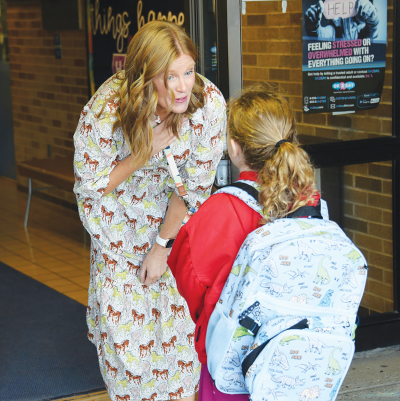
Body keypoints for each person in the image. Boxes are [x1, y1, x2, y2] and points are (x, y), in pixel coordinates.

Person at [73, 21, 226, 401]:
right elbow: (91, 183)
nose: (182, 86)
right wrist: (143, 153)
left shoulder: (207, 106)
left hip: (173, 234)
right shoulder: (108, 107)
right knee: (127, 353)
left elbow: (191, 191)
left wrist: (161, 246)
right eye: (169, 76)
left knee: (180, 352)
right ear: (144, 76)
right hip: (118, 237)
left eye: (188, 71)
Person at [168, 83, 321, 400]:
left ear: (235, 148)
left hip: (235, 364)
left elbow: (190, 279)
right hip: (297, 360)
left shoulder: (221, 209)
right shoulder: (311, 200)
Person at [304, 0, 379, 40]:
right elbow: (320, 35)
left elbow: (371, 32)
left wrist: (372, 16)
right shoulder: (334, 30)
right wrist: (313, 26)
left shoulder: (362, 28)